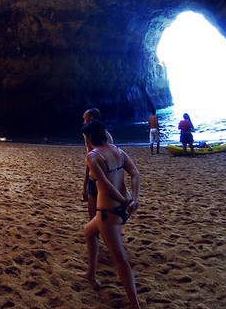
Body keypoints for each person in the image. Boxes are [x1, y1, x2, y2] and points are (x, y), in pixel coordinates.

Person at [82, 120, 141, 309]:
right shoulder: (117, 150)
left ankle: (134, 304)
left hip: (108, 213)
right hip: (123, 209)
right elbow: (135, 173)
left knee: (120, 260)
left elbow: (106, 186)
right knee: (89, 232)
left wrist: (125, 202)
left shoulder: (93, 157)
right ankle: (91, 273)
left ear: (89, 137)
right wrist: (134, 199)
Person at [82, 108, 114, 219]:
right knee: (105, 216)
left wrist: (85, 184)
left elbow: (90, 160)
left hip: (95, 179)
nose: (83, 122)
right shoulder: (108, 135)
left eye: (84, 119)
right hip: (109, 177)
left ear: (91, 118)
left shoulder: (88, 136)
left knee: (93, 217)